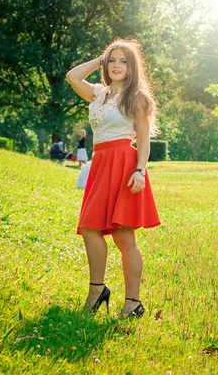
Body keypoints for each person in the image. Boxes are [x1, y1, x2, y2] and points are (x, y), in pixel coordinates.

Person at [66, 38, 161, 318]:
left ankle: (132, 302)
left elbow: (143, 140)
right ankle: (97, 290)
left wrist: (140, 171)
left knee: (123, 236)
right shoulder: (98, 93)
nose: (116, 66)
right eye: (112, 60)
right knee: (90, 228)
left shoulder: (137, 98)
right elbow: (72, 76)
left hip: (123, 163)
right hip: (101, 163)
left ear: (132, 67)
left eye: (123, 61)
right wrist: (99, 59)